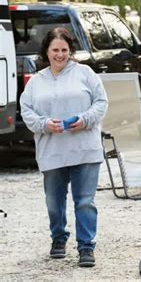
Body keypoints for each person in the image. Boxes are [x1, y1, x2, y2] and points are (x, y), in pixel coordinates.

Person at [20, 27, 108, 267]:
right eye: (55, 50)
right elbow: (26, 111)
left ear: (71, 51)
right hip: (52, 150)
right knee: (54, 201)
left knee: (85, 201)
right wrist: (45, 124)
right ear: (46, 51)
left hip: (85, 149)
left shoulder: (85, 73)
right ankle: (58, 238)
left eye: (64, 50)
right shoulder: (37, 81)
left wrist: (86, 119)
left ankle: (86, 247)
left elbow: (101, 102)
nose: (60, 54)